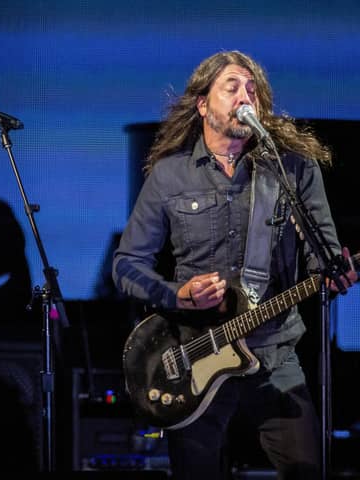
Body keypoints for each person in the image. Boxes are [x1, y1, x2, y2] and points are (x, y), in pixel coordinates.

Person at [113, 50, 357, 479]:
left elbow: (326, 258)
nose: (246, 96)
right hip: (195, 357)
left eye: (253, 90)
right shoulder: (170, 176)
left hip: (276, 354)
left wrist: (335, 275)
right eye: (232, 87)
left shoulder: (292, 170)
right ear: (203, 104)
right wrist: (178, 296)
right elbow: (127, 265)